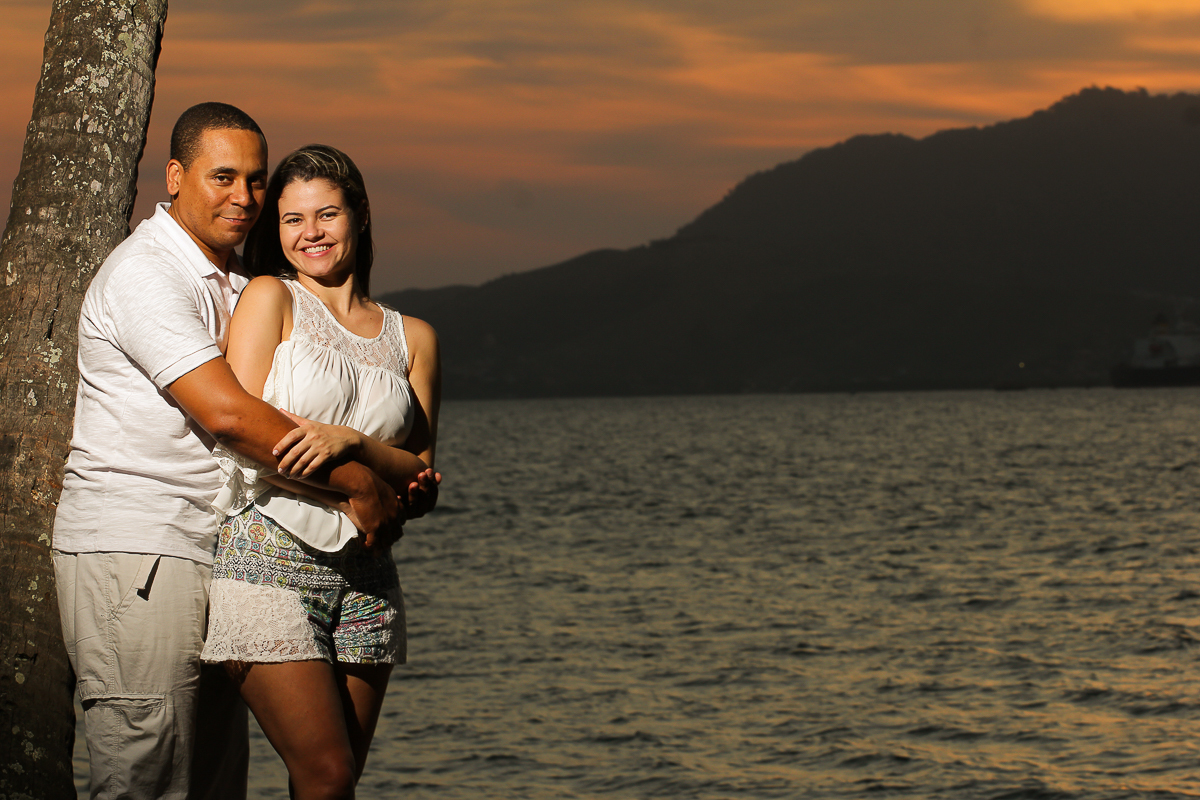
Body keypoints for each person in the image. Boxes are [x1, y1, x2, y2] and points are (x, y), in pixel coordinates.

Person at [52, 104, 415, 800]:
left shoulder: (242, 283)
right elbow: (229, 414)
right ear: (176, 175)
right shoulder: (147, 275)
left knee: (214, 781)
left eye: (255, 180)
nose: (244, 198)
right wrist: (356, 486)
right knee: (145, 773)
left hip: (219, 551)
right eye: (223, 178)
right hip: (142, 548)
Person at [199, 144, 441, 800]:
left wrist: (350, 442)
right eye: (292, 220)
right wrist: (365, 477)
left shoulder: (411, 336)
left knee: (337, 786)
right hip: (268, 560)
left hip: (369, 578)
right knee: (326, 773)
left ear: (360, 216)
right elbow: (246, 438)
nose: (311, 233)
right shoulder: (270, 298)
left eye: (326, 214)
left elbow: (419, 477)